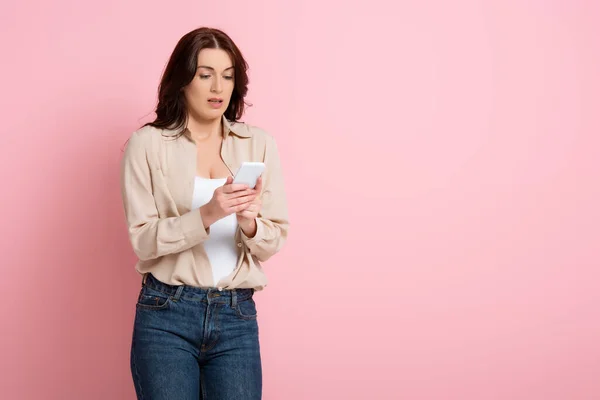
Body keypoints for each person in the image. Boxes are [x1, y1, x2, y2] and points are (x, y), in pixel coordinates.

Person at [119, 27, 289, 400]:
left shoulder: (258, 143)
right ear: (183, 80)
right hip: (166, 314)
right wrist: (207, 214)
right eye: (205, 74)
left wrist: (248, 224)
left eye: (228, 76)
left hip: (236, 314)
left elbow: (274, 238)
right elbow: (143, 241)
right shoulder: (146, 145)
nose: (218, 87)